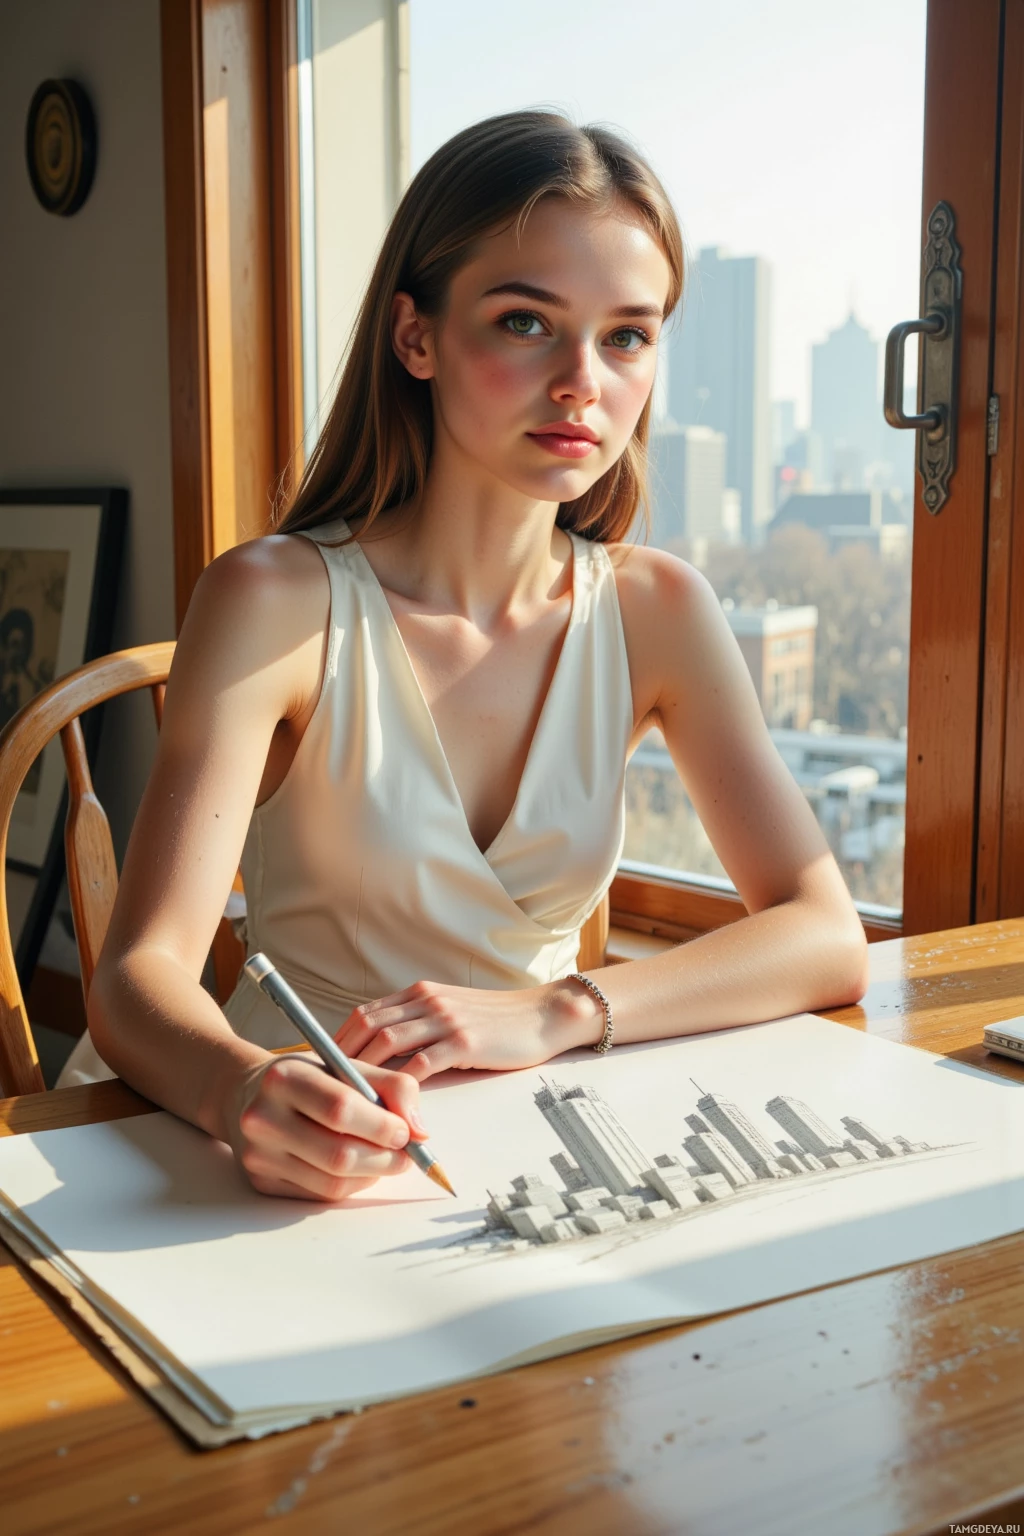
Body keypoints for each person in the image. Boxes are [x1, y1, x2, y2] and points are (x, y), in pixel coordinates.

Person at [69, 111, 868, 1202]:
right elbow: (136, 978)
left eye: (627, 336)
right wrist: (243, 1092)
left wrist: (558, 1011)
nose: (585, 381)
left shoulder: (657, 609)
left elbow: (824, 934)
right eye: (527, 321)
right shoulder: (273, 600)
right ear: (417, 338)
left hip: (532, 1144)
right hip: (259, 1144)